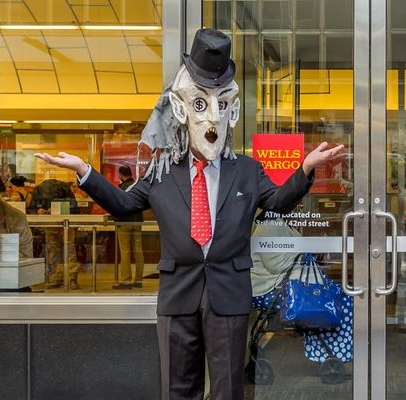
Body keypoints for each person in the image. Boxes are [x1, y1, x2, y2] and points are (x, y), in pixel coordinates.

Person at [34, 28, 345, 400]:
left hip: (228, 294)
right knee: (179, 388)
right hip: (178, 292)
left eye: (220, 106)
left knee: (228, 387)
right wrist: (84, 170)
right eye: (200, 105)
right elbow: (124, 205)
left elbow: (278, 201)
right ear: (182, 111)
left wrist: (306, 168)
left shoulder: (245, 170)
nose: (211, 119)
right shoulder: (163, 170)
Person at [113, 165, 146, 290]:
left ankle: (126, 281)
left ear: (121, 175)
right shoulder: (137, 186)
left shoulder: (120, 188)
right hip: (137, 222)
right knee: (138, 251)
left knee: (125, 252)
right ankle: (138, 280)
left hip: (124, 223)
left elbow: (116, 205)